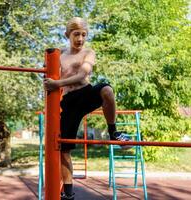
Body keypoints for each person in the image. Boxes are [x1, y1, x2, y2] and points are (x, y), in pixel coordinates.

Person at [43, 17, 131, 200]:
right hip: (69, 102)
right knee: (64, 149)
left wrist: (56, 83)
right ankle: (68, 194)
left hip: (86, 93)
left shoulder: (89, 52)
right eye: (76, 34)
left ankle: (113, 131)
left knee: (106, 89)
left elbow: (83, 73)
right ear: (68, 34)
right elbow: (48, 78)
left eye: (84, 34)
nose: (80, 39)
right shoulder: (60, 57)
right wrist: (48, 76)